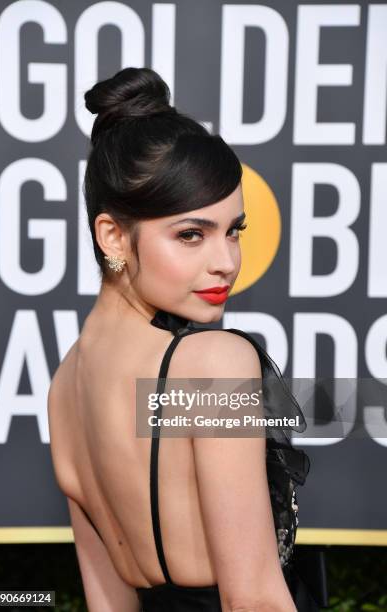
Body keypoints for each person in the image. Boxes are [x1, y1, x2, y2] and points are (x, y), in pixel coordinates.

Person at [47, 67, 323, 611]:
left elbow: (109, 605)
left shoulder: (64, 387)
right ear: (112, 235)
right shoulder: (211, 364)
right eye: (191, 235)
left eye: (234, 231)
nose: (226, 263)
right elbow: (256, 601)